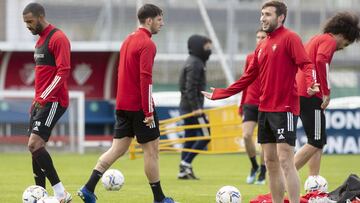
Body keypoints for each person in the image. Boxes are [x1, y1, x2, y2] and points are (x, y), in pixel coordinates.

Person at [202, 1, 319, 202]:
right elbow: (247, 78)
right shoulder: (261, 46)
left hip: (286, 109)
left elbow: (306, 64)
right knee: (270, 161)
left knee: (285, 160)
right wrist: (222, 93)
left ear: (280, 17)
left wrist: (311, 83)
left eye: (268, 14)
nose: (263, 18)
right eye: (262, 14)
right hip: (264, 109)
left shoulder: (290, 38)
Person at [77, 4, 174, 203]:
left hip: (123, 105)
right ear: (149, 20)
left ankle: (87, 188)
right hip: (140, 107)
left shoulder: (128, 40)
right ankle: (159, 198)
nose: (162, 24)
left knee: (117, 149)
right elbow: (145, 78)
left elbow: (122, 73)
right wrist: (148, 111)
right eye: (159, 19)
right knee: (152, 151)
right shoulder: (148, 44)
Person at [294, 12, 360, 176]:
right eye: (345, 43)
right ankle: (284, 175)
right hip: (310, 94)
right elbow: (321, 61)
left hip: (301, 91)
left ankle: (314, 184)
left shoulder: (317, 39)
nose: (342, 47)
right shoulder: (329, 40)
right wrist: (326, 91)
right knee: (316, 140)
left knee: (317, 140)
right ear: (343, 35)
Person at [23, 2, 72, 203]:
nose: (28, 26)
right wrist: (36, 101)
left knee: (34, 143)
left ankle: (61, 194)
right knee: (35, 148)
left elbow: (63, 71)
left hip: (54, 101)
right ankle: (41, 194)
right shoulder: (40, 41)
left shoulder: (58, 38)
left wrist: (44, 98)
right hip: (41, 101)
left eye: (30, 21)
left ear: (41, 16)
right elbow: (42, 76)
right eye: (25, 22)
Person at [178, 34, 212, 180]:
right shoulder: (196, 63)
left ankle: (183, 171)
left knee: (189, 138)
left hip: (186, 106)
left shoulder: (192, 61)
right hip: (193, 108)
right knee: (206, 136)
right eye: (207, 47)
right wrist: (196, 107)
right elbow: (189, 87)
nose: (209, 50)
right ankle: (185, 163)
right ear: (198, 46)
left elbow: (183, 87)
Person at [239, 29, 267, 185]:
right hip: (250, 102)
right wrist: (241, 104)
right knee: (246, 135)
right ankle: (254, 166)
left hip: (265, 103)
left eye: (263, 37)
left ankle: (263, 172)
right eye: (258, 37)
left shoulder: (272, 57)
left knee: (264, 141)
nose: (260, 39)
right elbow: (245, 81)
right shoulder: (250, 57)